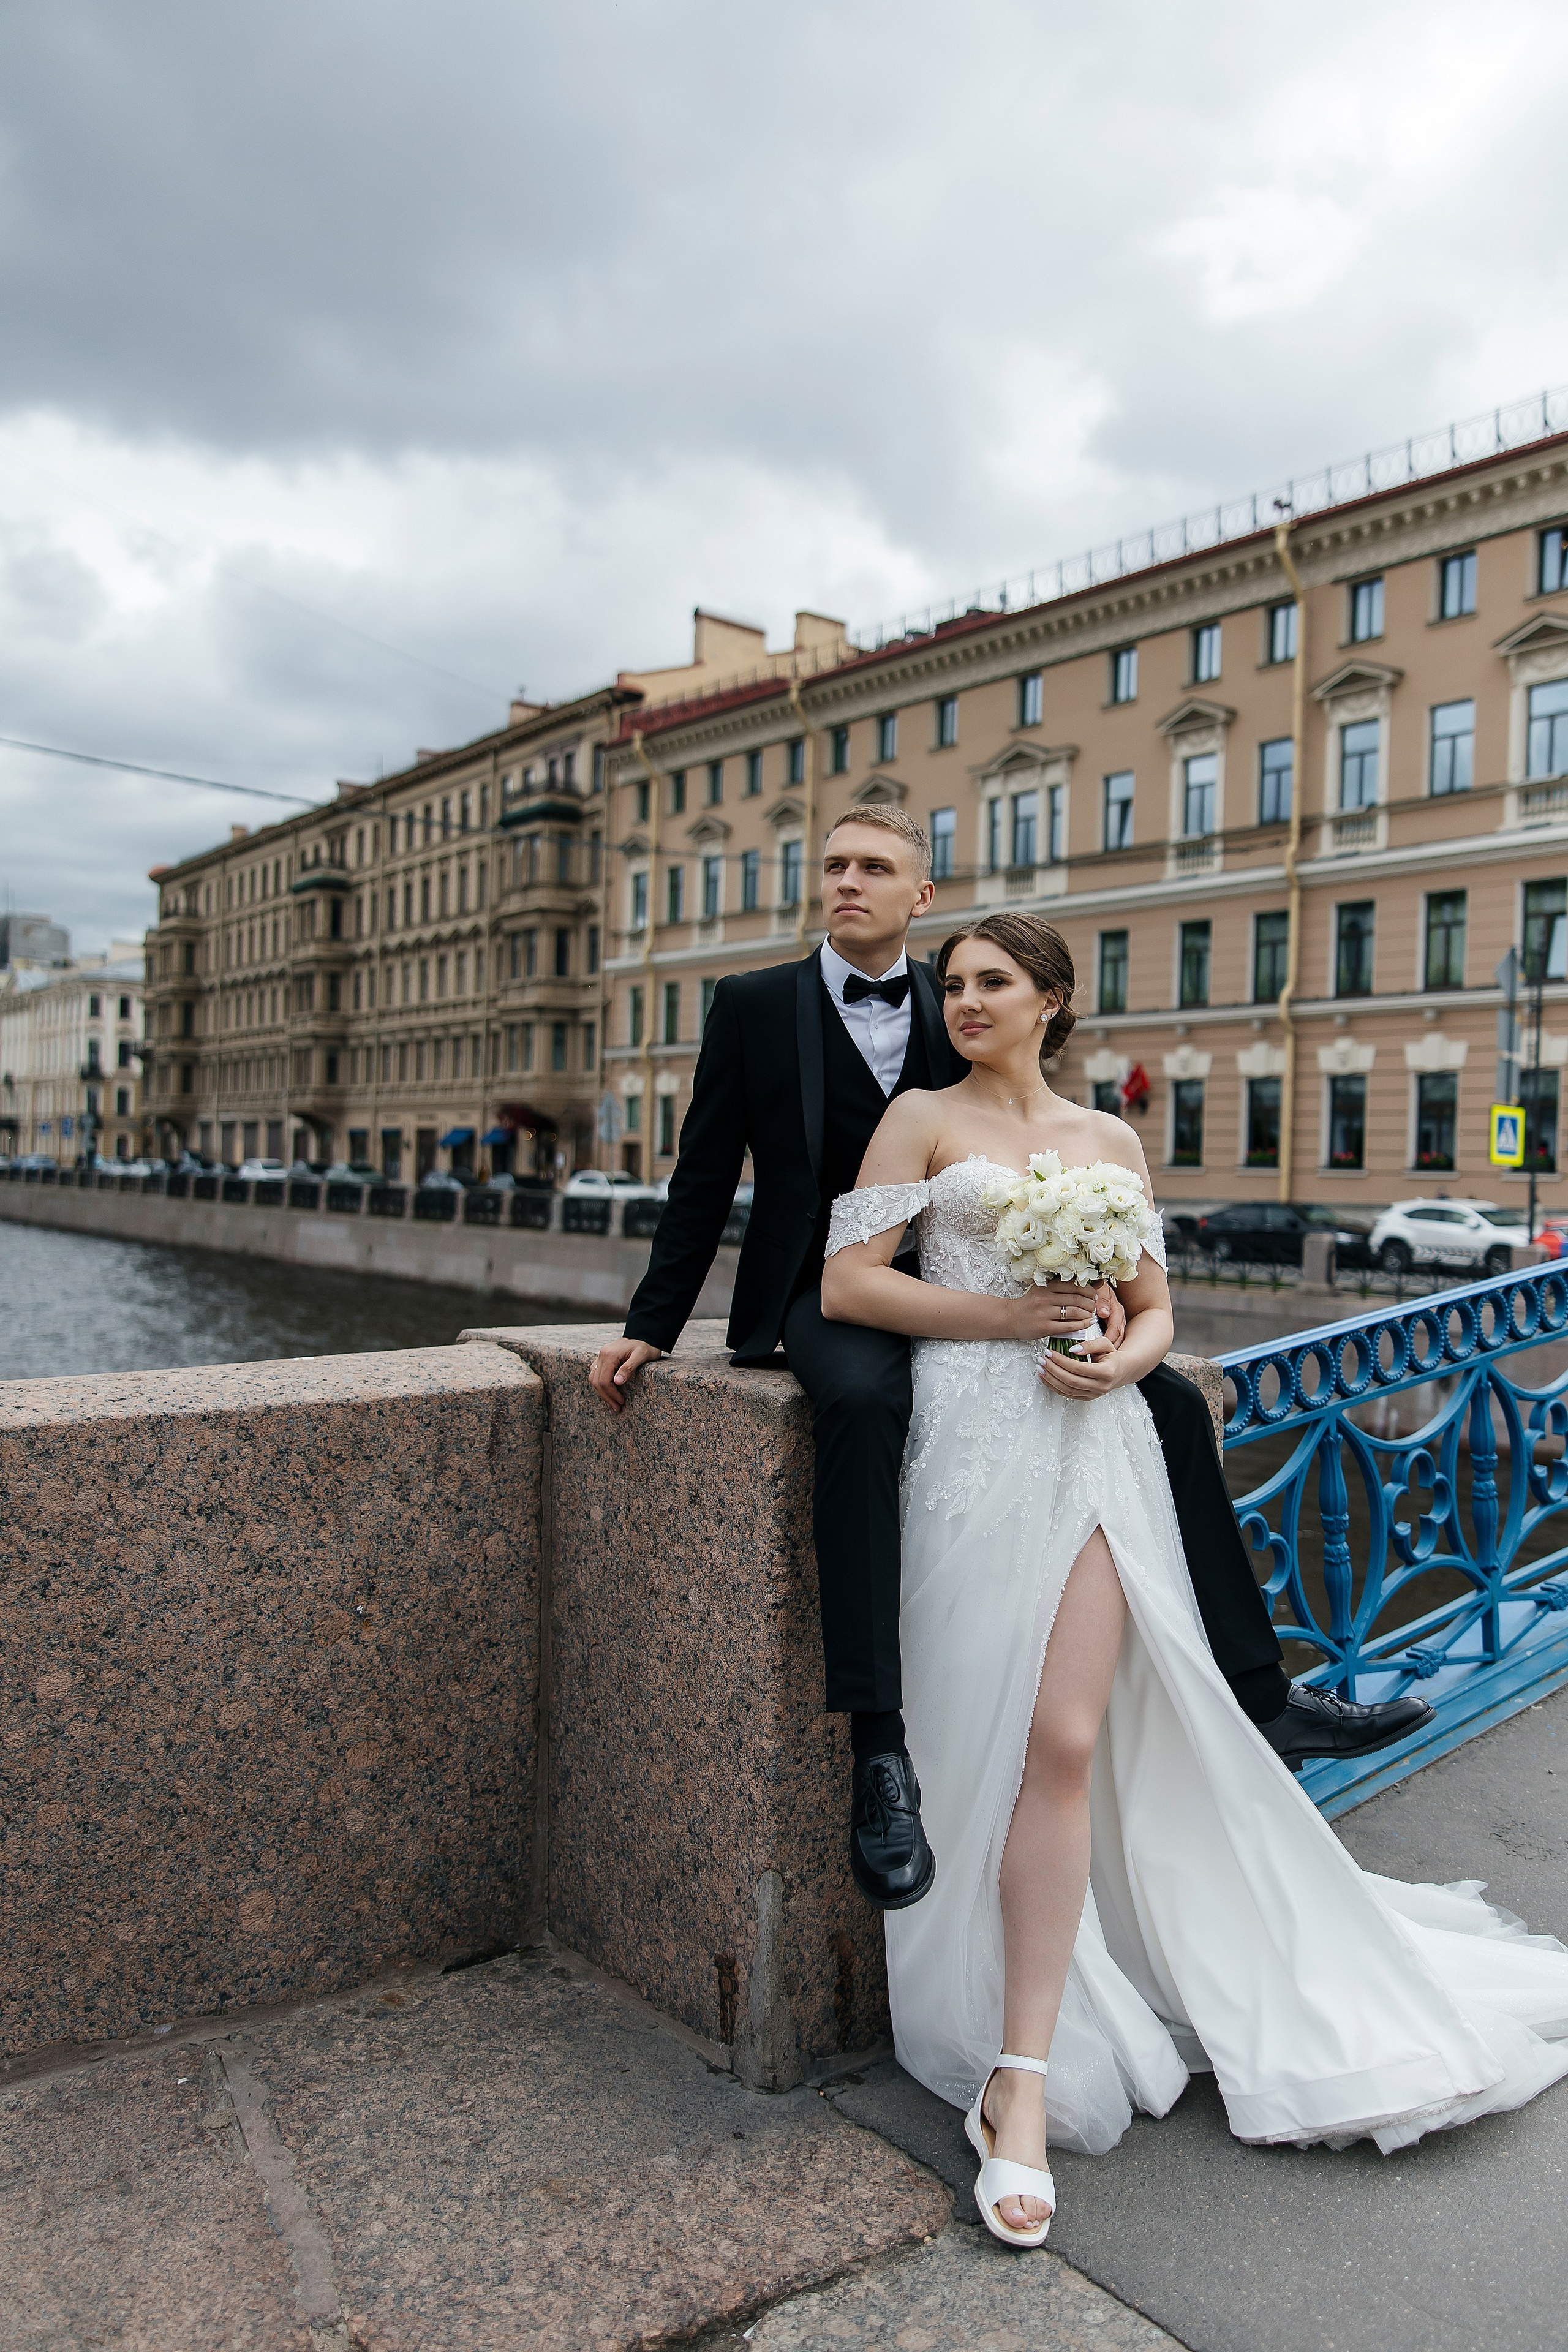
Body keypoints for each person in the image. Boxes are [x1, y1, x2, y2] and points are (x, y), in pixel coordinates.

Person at [818, 910, 1568, 2245]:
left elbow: (1153, 1305)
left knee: (1063, 1738)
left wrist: (1121, 1357)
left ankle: (1020, 2080)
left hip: (1095, 1444)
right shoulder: (919, 1120)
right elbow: (849, 1288)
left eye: (992, 981)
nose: (964, 1001)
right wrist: (1008, 1317)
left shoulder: (1110, 1141)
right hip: (971, 1454)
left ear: (1052, 999)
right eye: (952, 984)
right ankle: (1007, 2014)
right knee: (974, 1741)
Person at [587, 808, 1427, 1909]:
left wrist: (1098, 1298)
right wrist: (652, 1322)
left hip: (973, 1270)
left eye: (874, 867)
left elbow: (1024, 1145)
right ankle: (879, 1751)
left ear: (920, 895)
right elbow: (704, 1172)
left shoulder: (959, 1003)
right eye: (834, 866)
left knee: (1175, 1407)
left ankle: (1263, 1691)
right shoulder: (751, 1004)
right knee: (859, 1409)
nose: (847, 883)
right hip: (830, 1287)